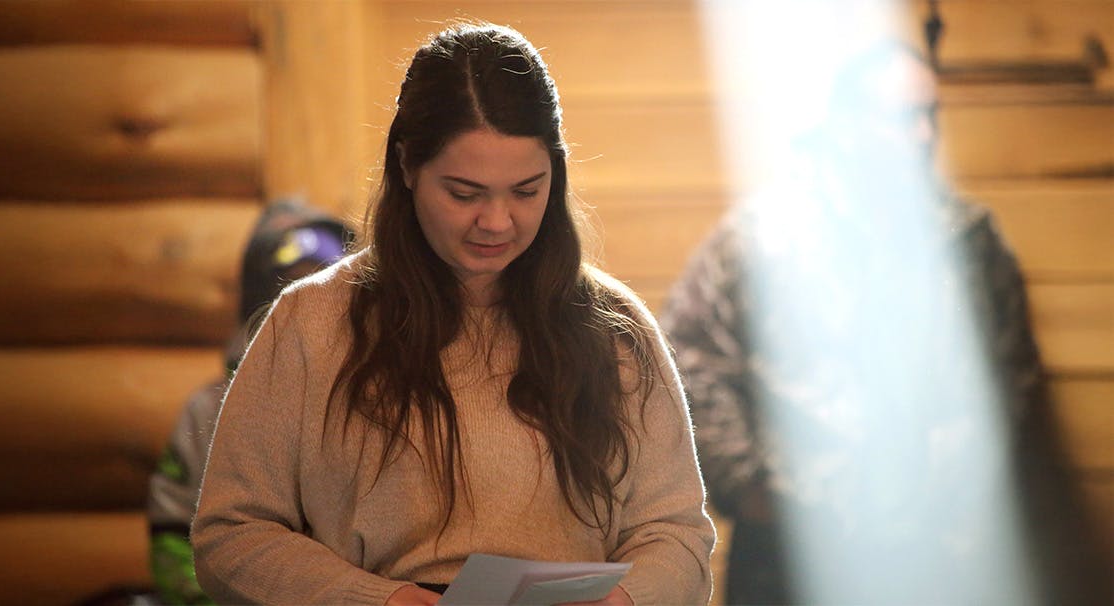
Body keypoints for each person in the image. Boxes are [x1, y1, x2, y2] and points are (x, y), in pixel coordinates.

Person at [190, 23, 715, 606]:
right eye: (464, 193)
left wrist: (626, 601)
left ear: (556, 176)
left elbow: (677, 533)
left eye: (526, 190)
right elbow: (230, 535)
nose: (496, 222)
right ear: (408, 168)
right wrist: (376, 600)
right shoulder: (312, 323)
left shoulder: (613, 327)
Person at [662, 41, 1110, 605]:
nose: (924, 136)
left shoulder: (970, 241)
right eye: (903, 118)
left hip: (943, 559)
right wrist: (757, 490)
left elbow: (1012, 378)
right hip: (797, 560)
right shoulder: (763, 240)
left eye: (930, 117)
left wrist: (966, 486)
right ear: (846, 126)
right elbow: (688, 363)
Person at [146, 198, 353, 605]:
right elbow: (172, 536)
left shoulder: (386, 398)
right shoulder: (209, 410)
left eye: (325, 284)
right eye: (288, 288)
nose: (310, 309)